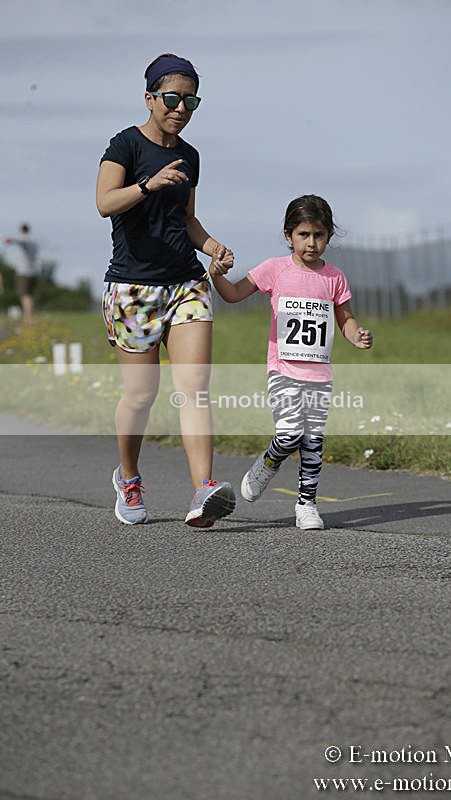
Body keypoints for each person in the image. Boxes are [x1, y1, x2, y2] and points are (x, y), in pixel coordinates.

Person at [96, 53, 236, 527]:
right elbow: (104, 202)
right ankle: (129, 477)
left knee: (194, 388)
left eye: (190, 100)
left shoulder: (191, 155)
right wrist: (148, 185)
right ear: (150, 97)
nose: (181, 107)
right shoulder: (125, 144)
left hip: (186, 282)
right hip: (133, 288)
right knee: (140, 395)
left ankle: (203, 490)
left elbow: (188, 220)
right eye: (172, 98)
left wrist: (213, 246)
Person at [209, 195, 373, 530]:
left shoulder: (335, 278)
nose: (312, 243)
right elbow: (234, 293)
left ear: (328, 236)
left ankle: (307, 504)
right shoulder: (274, 269)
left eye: (319, 236)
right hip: (283, 369)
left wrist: (355, 335)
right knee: (289, 434)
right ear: (288, 236)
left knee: (313, 440)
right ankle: (268, 462)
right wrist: (216, 276)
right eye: (304, 235)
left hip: (319, 374)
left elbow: (346, 318)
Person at [3, 223, 39, 327]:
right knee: (30, 297)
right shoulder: (34, 242)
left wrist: (11, 240)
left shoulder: (26, 240)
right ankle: (30, 319)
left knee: (25, 297)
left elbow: (22, 242)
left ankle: (29, 320)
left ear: (22, 231)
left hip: (24, 273)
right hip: (33, 272)